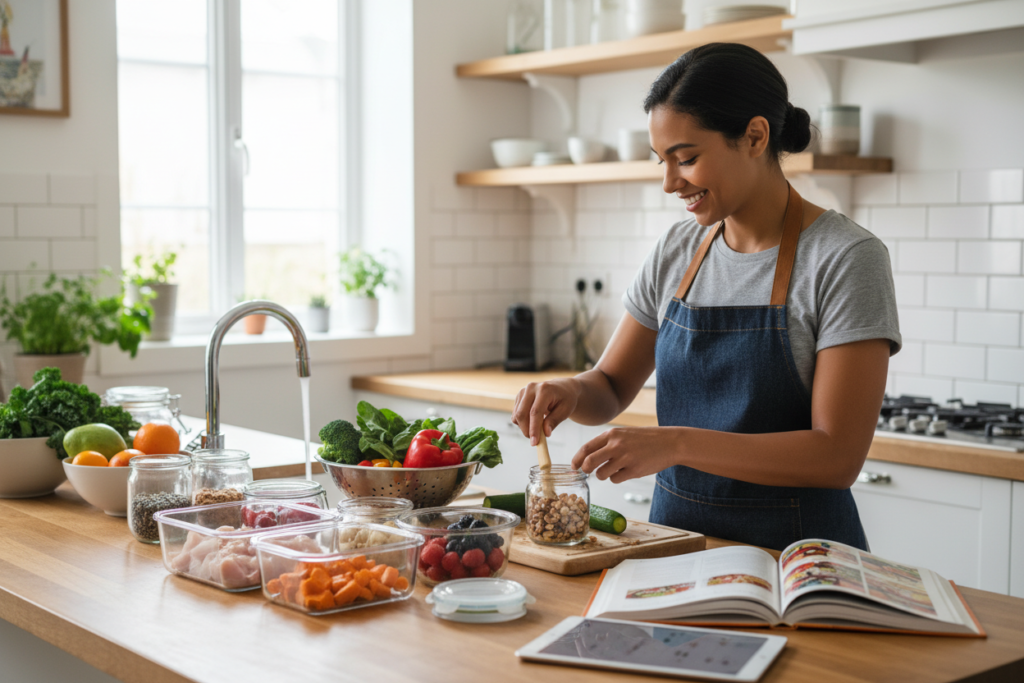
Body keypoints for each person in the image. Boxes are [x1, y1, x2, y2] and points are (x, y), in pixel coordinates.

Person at [511, 43, 901, 552]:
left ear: (755, 136)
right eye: (662, 162)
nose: (671, 183)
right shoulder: (678, 249)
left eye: (687, 158)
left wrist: (675, 443)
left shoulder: (845, 257)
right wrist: (570, 391)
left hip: (800, 560)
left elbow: (836, 457)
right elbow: (609, 385)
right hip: (676, 546)